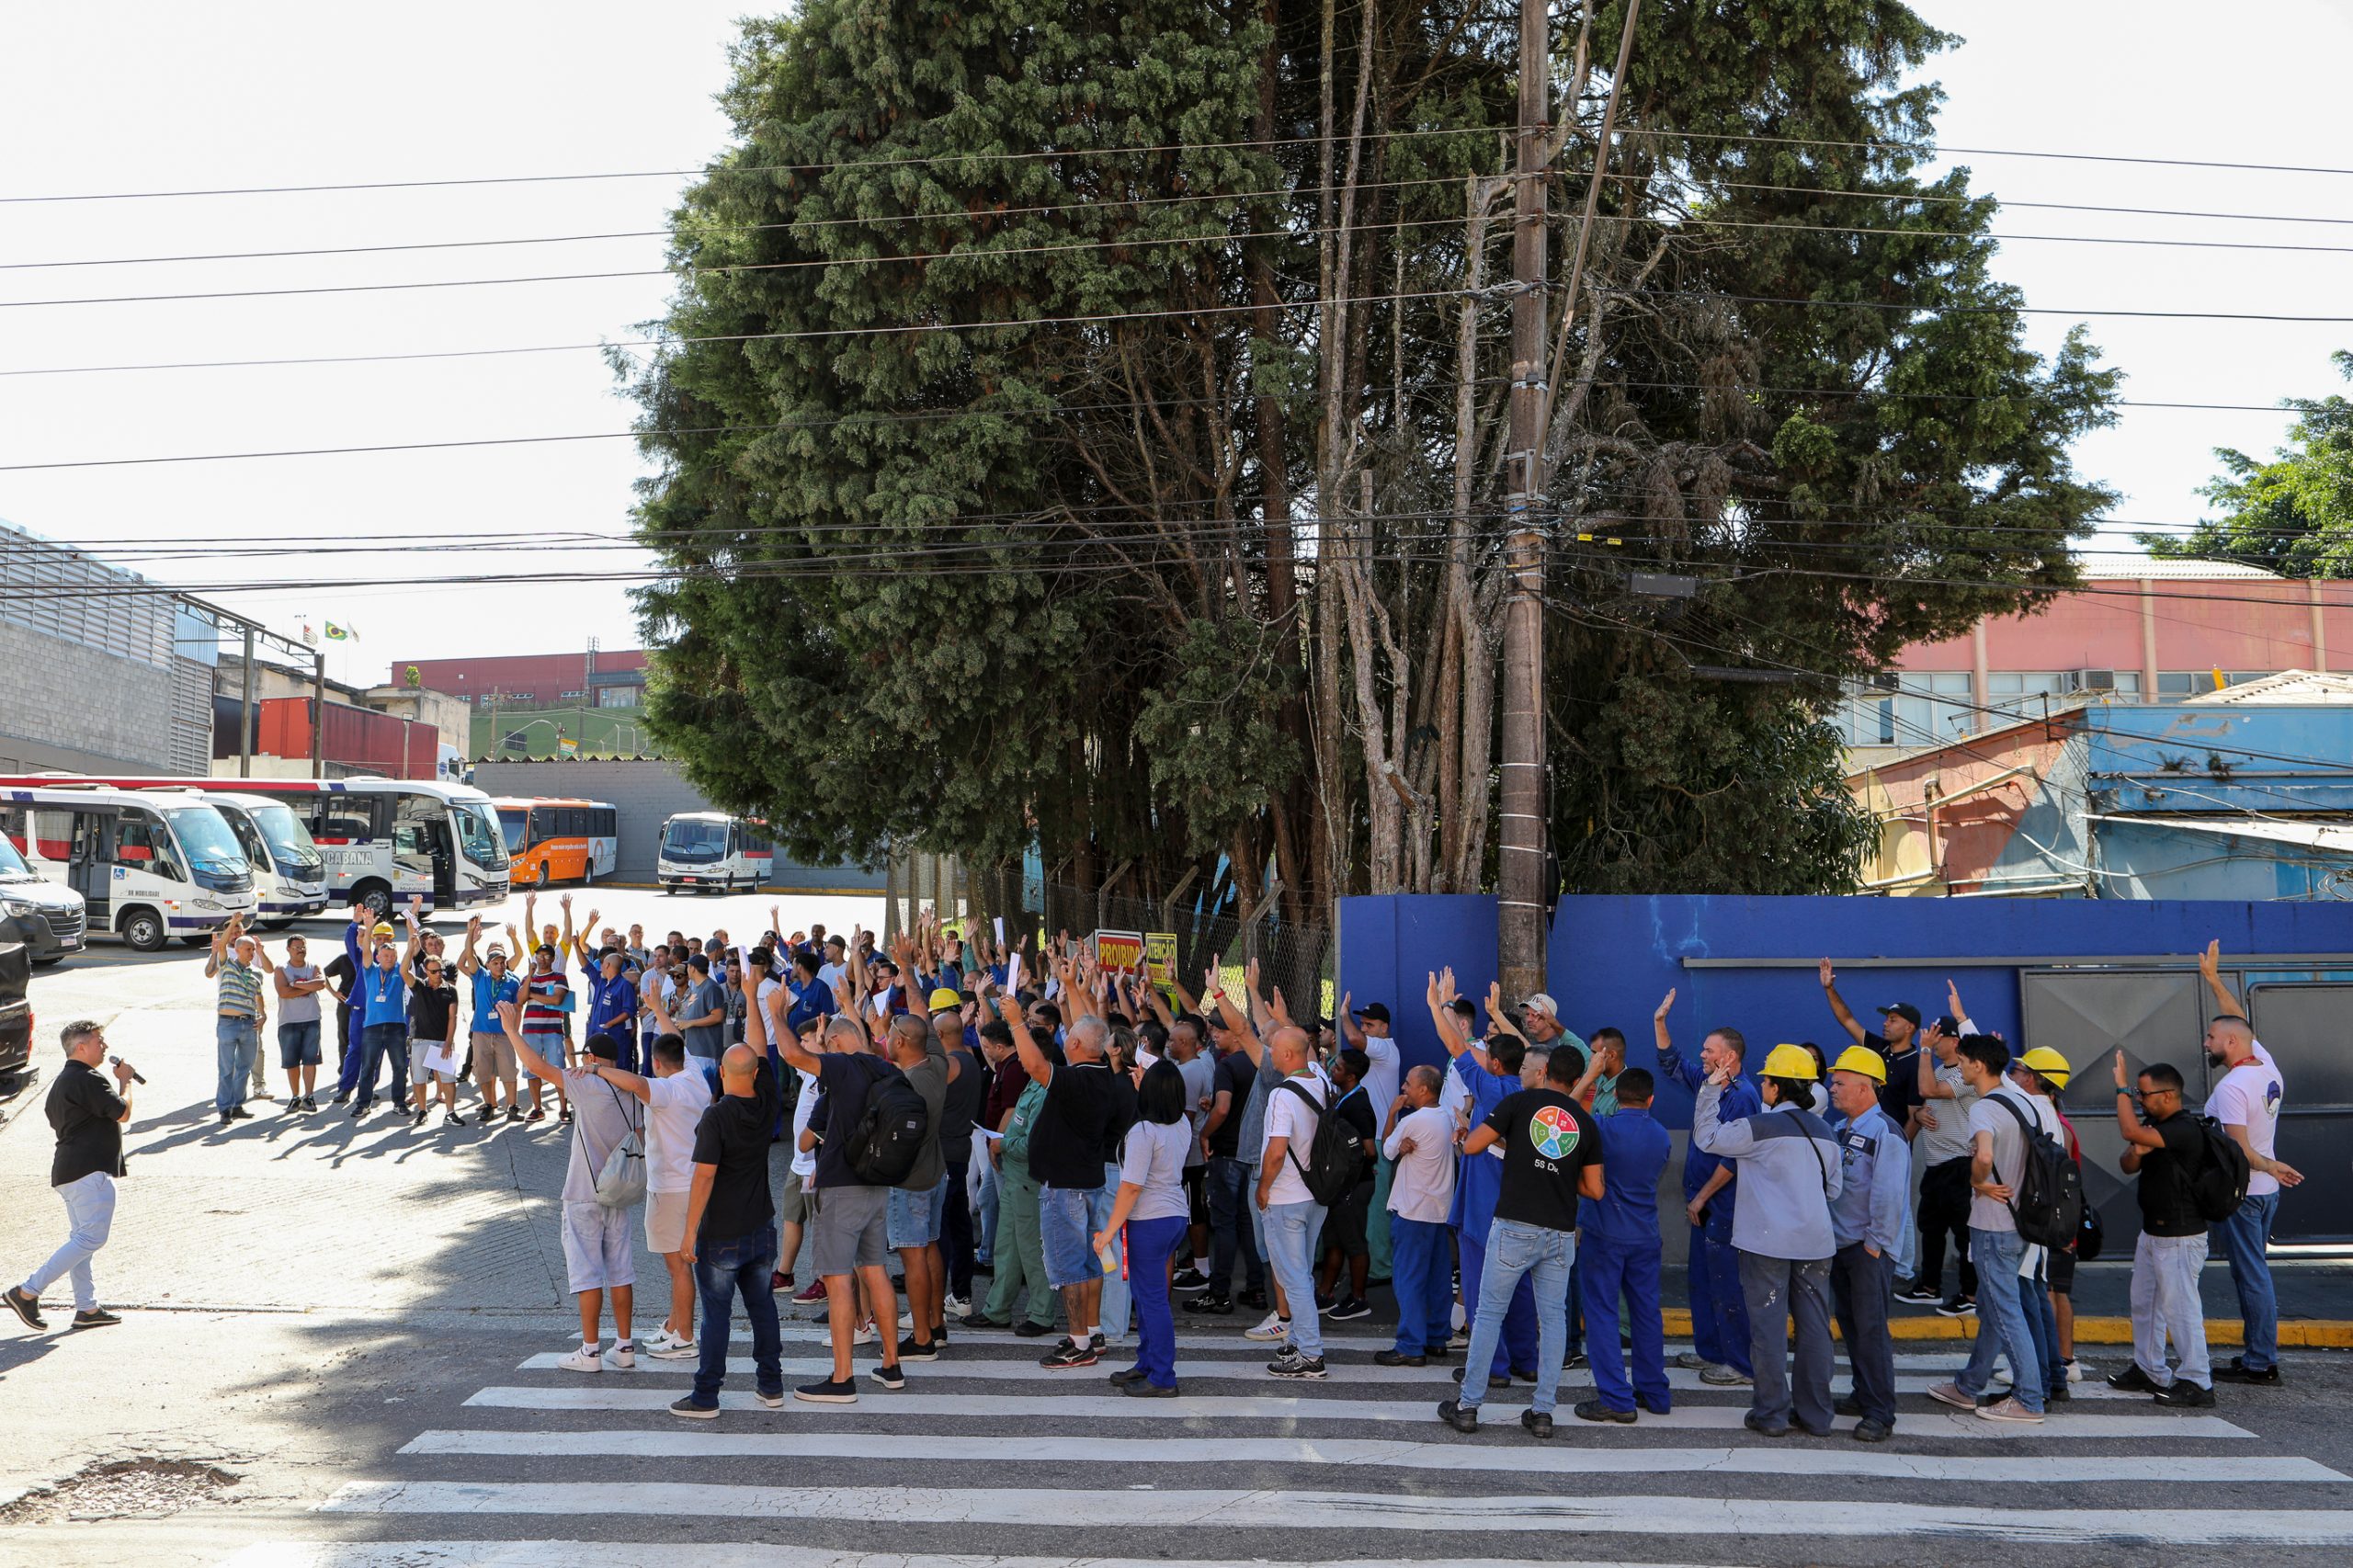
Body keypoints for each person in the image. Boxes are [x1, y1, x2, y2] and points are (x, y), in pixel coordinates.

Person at [1437, 1048, 1605, 1438]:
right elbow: (1595, 1189)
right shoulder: (1584, 1121)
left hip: (1514, 1226)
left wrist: (1514, 1150)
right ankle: (1543, 1411)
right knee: (1553, 1320)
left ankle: (1468, 1406)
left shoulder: (1518, 1103)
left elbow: (1475, 1145)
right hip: (1560, 1232)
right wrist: (1561, 1176)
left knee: (1490, 1314)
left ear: (1545, 1072)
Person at [1693, 1042, 1843, 1438]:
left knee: (1768, 1330)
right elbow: (1833, 1191)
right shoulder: (1826, 1131)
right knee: (1814, 1329)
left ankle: (1772, 1413)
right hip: (1815, 1242)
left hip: (1766, 1244)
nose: (1761, 1085)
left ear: (1776, 1087)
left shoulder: (1760, 1126)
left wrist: (1710, 1089)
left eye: (1765, 1080)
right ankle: (1816, 1416)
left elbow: (1707, 1139)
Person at [494, 1006, 642, 1373]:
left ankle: (590, 1351)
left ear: (591, 1058)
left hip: (583, 1191)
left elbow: (537, 1066)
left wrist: (511, 1030)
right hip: (619, 1192)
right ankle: (625, 1346)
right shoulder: (633, 1091)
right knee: (621, 1271)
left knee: (587, 1272)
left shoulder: (587, 1084)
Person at [770, 1011, 908, 1403]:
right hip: (877, 1182)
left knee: (836, 1278)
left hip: (842, 1185)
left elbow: (793, 1055)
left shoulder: (842, 1069)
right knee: (875, 1271)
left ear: (833, 1043)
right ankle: (891, 1364)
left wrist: (776, 1013)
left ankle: (843, 1377)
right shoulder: (885, 1069)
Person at [1925, 1035, 2054, 1424]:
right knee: (1994, 1307)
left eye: (1963, 1062)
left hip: (1993, 1223)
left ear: (1979, 1065)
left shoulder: (1983, 1110)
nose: (1959, 1067)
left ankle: (2029, 1398)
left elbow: (1983, 1155)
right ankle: (1968, 1385)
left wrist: (1978, 1182)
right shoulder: (2023, 1102)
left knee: (2004, 1310)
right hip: (2019, 1221)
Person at [661, 1039, 787, 1417]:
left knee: (717, 1315)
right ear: (754, 1075)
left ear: (720, 1074)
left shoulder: (715, 1117)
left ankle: (706, 1394)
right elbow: (761, 1055)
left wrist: (688, 1231)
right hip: (760, 1226)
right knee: (762, 1307)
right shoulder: (766, 1104)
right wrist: (752, 995)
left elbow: (704, 1177)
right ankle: (771, 1383)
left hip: (720, 1235)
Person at [581, 1012, 717, 1362]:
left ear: (656, 1063)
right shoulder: (695, 1078)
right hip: (691, 1184)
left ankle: (685, 1337)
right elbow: (676, 1045)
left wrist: (596, 1069)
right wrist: (658, 1008)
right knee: (681, 1263)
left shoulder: (666, 1089)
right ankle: (674, 1325)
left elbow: (637, 1085)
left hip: (670, 1188)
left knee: (678, 1266)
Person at [1428, 971, 1541, 1388]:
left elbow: (1454, 1045)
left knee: (1480, 1290)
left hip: (1483, 1206)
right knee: (1521, 1287)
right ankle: (1526, 1359)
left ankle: (1491, 1366)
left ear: (1494, 1062)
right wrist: (1494, 1013)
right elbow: (1529, 1049)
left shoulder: (1491, 1088)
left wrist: (1438, 1006)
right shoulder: (1531, 1093)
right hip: (1521, 1206)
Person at [2198, 941, 2303, 1386]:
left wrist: (2270, 1165)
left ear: (2231, 1044)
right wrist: (2214, 981)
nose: (2206, 1042)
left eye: (2211, 1037)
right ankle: (2257, 1355)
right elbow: (2238, 1021)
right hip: (2265, 1193)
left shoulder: (2233, 1087)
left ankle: (2261, 1362)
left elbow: (2238, 1152)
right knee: (2253, 1274)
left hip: (2244, 1195)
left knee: (2252, 1278)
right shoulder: (2266, 1066)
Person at [1005, 988, 1123, 1369]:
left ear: (1073, 1043)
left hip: (1065, 1187)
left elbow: (1035, 1067)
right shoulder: (1102, 1072)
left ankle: (1079, 1343)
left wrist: (1015, 1024)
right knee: (1089, 1263)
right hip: (1085, 1180)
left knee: (1069, 1266)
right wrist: (1071, 985)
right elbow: (1085, 1028)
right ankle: (1091, 1331)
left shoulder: (1079, 1079)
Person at [1652, 989, 1757, 1387]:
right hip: (1707, 1206)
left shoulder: (1742, 1096)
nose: (1702, 1055)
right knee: (1703, 1279)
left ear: (1729, 1056)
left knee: (1726, 1283)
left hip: (1723, 1206)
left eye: (1709, 1050)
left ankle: (1740, 1364)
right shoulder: (1710, 1085)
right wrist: (1660, 1022)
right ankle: (1710, 1351)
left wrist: (1701, 1196)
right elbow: (1671, 1063)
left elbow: (1734, 1159)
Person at [5, 1021, 135, 1332]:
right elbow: (123, 1112)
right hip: (88, 1171)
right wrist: (126, 1082)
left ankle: (87, 1308)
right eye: (98, 1041)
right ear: (80, 1047)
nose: (104, 1047)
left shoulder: (63, 1081)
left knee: (82, 1241)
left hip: (69, 1171)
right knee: (91, 1238)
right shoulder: (88, 1079)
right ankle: (26, 1292)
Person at [2105, 1053, 2215, 1407]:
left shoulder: (2181, 1128)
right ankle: (2150, 1368)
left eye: (2143, 1093)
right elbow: (2126, 1163)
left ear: (2168, 1095)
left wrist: (2120, 1087)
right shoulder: (2156, 1129)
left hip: (2181, 1237)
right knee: (2144, 1304)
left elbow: (2128, 1130)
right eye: (2135, 1092)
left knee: (2181, 1309)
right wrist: (2138, 1149)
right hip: (2153, 1234)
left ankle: (2198, 1381)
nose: (2139, 1099)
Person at [1574, 1067, 1672, 1425]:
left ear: (1616, 1097)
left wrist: (1589, 1077)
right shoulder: (1661, 1135)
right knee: (1647, 1312)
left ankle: (1616, 1397)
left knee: (1602, 1313)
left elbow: (1569, 1112)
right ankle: (1655, 1392)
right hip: (1646, 1234)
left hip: (1604, 1233)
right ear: (1650, 1099)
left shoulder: (1603, 1127)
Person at [1825, 1045, 1910, 1442]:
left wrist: (1875, 1245)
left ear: (1865, 1088)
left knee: (1871, 1329)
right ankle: (1863, 1394)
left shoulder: (1885, 1132)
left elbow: (1889, 1196)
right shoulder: (1845, 1129)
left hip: (1866, 1249)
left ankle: (1880, 1412)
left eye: (1840, 1082)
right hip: (1843, 1245)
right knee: (1853, 1326)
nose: (1833, 1087)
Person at [1095, 1058, 1193, 1396]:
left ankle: (1163, 1376)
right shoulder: (1181, 1124)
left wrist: (1108, 1231)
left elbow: (1131, 1187)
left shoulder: (1142, 1132)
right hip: (1175, 1216)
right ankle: (1148, 1363)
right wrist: (1146, 1081)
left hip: (1148, 1221)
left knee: (1151, 1301)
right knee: (1149, 1296)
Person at [1250, 1019, 1334, 1380]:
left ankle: (1311, 1354)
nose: (1268, 1051)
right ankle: (1300, 1340)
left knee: (1293, 1275)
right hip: (1317, 1193)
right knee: (1302, 1272)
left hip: (1286, 1195)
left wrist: (1263, 1187)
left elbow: (1276, 1152)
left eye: (1272, 1046)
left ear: (1286, 1054)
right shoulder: (1323, 1081)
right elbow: (1310, 1053)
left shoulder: (1282, 1095)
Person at [1376, 1063, 1457, 1368]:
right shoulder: (1446, 1116)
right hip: (1439, 1210)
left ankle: (1410, 1345)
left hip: (1412, 1211)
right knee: (1437, 1278)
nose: (1404, 1088)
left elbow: (1387, 1151)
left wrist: (1392, 1113)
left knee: (1408, 1279)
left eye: (1408, 1084)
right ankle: (1437, 1337)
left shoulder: (1414, 1120)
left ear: (1423, 1089)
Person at [883, 1005, 951, 1362]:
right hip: (935, 1173)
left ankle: (922, 1338)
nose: (886, 1038)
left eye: (891, 1033)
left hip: (909, 1182)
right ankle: (937, 1325)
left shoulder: (904, 1085)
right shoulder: (937, 1065)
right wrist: (908, 971)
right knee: (929, 1248)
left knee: (913, 1260)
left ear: (901, 1041)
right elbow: (926, 1024)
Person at [1909, 1008, 1984, 1315]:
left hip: (1960, 1165)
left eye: (1938, 1037)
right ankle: (1929, 1287)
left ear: (1955, 1041)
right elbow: (1924, 1101)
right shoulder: (1938, 1072)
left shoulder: (1965, 1075)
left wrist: (1924, 1050)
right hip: (1936, 1166)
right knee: (1931, 1228)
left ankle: (1971, 1294)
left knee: (1965, 1233)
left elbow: (1928, 1090)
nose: (1932, 1042)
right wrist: (1917, 1115)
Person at [1312, 1048, 1381, 1321]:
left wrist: (1344, 1164)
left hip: (1355, 1186)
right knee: (1334, 1241)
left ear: (1351, 1076)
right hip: (1339, 1189)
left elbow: (1369, 1150)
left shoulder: (1357, 1105)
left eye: (1337, 1068)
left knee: (1354, 1243)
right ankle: (1325, 1293)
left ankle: (1359, 1298)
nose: (1332, 1070)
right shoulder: (1343, 1099)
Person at [1337, 997, 1401, 1279]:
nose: (1364, 1029)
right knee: (1366, 1206)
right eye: (1363, 1024)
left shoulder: (1385, 1049)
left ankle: (1380, 1269)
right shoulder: (1376, 1052)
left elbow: (1352, 1037)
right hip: (1368, 1138)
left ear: (1385, 1027)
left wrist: (1343, 1015)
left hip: (1377, 1140)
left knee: (1377, 1208)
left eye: (1370, 1025)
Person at [207, 920, 275, 1126]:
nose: (251, 953)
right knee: (226, 1069)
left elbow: (258, 995)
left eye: (253, 950)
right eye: (248, 949)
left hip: (249, 1024)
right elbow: (222, 945)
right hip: (228, 1023)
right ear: (237, 950)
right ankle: (224, 1108)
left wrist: (262, 1015)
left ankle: (237, 1105)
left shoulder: (255, 973)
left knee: (244, 1067)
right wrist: (234, 923)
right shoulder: (227, 964)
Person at [458, 920, 524, 1124]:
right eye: (496, 962)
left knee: (508, 1071)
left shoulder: (512, 981)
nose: (500, 965)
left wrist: (514, 1031)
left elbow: (518, 1007)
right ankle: (489, 1105)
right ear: (488, 964)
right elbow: (468, 956)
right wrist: (470, 934)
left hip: (504, 1033)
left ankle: (512, 1106)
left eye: (503, 962)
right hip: (482, 1032)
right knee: (483, 1071)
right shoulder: (480, 976)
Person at [351, 926, 413, 1119]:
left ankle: (399, 1103)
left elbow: (412, 950)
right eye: (385, 955)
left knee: (400, 1066)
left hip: (396, 1026)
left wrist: (412, 925)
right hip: (372, 1026)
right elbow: (366, 950)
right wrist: (369, 928)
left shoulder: (400, 971)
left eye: (392, 955)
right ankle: (363, 1104)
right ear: (378, 957)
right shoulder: (370, 971)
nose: (389, 958)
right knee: (368, 1066)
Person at [270, 936, 327, 1113]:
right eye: (296, 947)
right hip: (288, 1021)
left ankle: (309, 1096)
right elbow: (283, 992)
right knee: (291, 1062)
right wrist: (306, 986)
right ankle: (295, 1096)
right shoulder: (281, 969)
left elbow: (321, 983)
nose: (300, 950)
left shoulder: (313, 967)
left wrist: (295, 984)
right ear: (288, 949)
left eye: (303, 947)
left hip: (311, 1019)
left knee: (311, 1060)